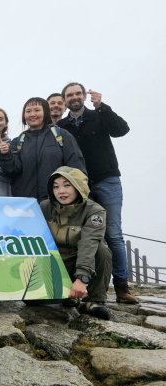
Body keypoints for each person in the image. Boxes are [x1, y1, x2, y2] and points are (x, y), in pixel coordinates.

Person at [57, 83, 136, 304]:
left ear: (84, 96)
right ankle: (86, 285)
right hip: (81, 186)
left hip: (107, 180)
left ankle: (121, 286)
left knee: (113, 234)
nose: (74, 97)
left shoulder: (99, 115)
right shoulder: (62, 125)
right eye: (69, 95)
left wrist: (102, 106)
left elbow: (122, 130)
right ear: (65, 100)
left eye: (77, 94)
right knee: (85, 234)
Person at [40, 167, 112, 320]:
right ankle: (68, 295)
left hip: (81, 260)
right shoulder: (44, 207)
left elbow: (89, 243)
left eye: (67, 185)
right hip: (56, 263)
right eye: (56, 186)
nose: (61, 191)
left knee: (101, 249)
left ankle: (95, 300)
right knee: (32, 300)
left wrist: (81, 279)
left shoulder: (94, 211)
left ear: (79, 186)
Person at [0, 97, 86, 202]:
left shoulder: (62, 135)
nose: (32, 114)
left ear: (46, 112)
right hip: (27, 204)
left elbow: (76, 167)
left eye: (37, 110)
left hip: (57, 201)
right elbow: (12, 171)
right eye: (28, 111)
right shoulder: (18, 141)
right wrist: (6, 155)